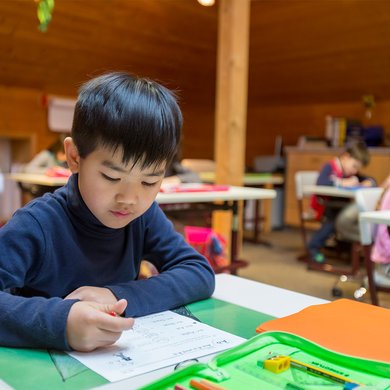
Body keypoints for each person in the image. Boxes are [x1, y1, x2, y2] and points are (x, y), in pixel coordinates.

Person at [0, 72, 215, 352]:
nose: (129, 199)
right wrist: (61, 322)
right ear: (75, 157)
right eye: (112, 177)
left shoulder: (143, 216)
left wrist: (116, 294)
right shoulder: (37, 225)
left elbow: (199, 272)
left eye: (150, 181)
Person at [308, 141, 376, 263]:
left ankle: (346, 250)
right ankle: (313, 248)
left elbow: (369, 179)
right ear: (346, 157)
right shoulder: (330, 166)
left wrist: (370, 182)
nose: (355, 171)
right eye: (354, 166)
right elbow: (321, 183)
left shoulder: (349, 172)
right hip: (325, 207)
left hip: (340, 207)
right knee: (330, 225)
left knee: (350, 219)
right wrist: (342, 182)